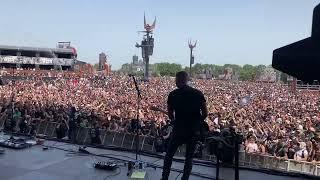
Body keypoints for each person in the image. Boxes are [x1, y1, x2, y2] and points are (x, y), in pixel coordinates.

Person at [161, 71, 208, 180]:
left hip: (179, 129)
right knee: (189, 158)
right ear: (186, 80)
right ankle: (185, 178)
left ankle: (164, 177)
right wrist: (197, 122)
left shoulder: (173, 94)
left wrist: (174, 121)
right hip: (193, 130)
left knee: (169, 155)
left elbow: (170, 113)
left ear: (177, 80)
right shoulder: (198, 93)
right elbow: (205, 113)